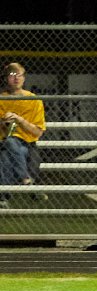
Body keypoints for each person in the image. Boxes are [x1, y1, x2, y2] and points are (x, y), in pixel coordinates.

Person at [0, 62, 46, 207]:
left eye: (19, 75)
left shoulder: (33, 99)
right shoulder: (1, 99)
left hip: (27, 143)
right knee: (8, 144)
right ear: (6, 78)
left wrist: (19, 120)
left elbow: (38, 131)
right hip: (4, 142)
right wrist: (3, 123)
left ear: (24, 78)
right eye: (12, 75)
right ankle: (26, 180)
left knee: (7, 152)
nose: (16, 78)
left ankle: (3, 197)